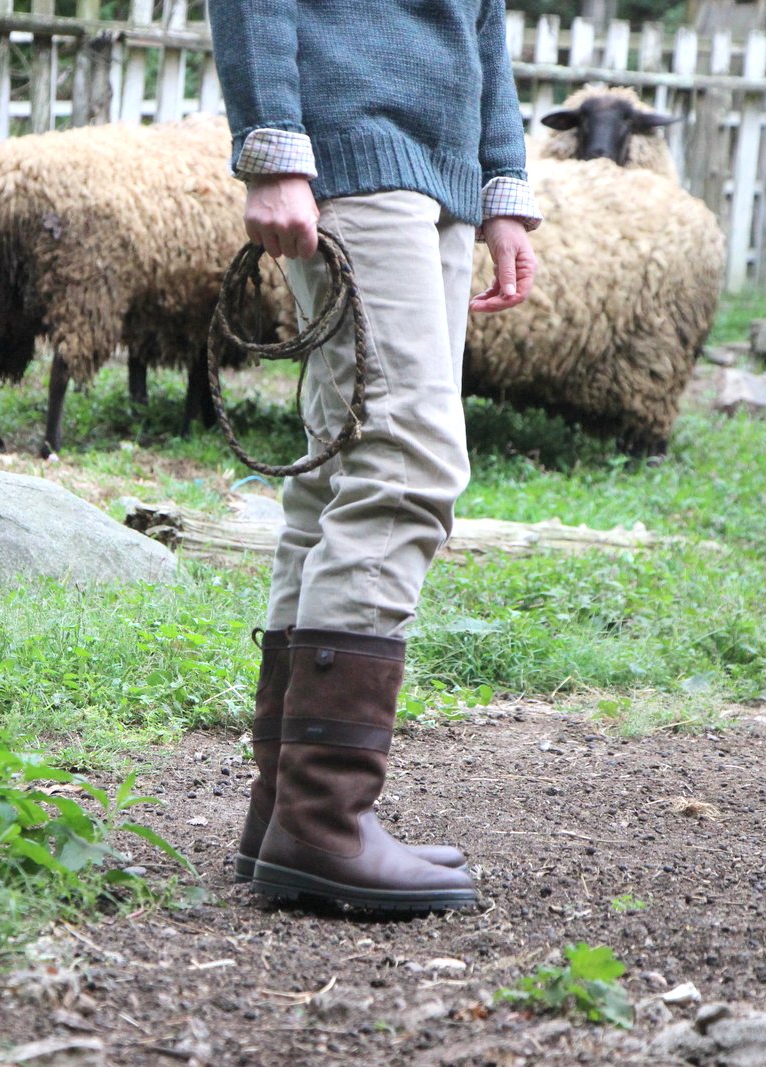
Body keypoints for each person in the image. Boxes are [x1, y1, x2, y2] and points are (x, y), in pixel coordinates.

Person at [209, 0, 541, 912]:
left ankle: (285, 813)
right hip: (353, 157)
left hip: (439, 173)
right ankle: (324, 822)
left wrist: (502, 182)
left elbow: (481, 17)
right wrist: (273, 146)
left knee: (338, 476)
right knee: (406, 463)